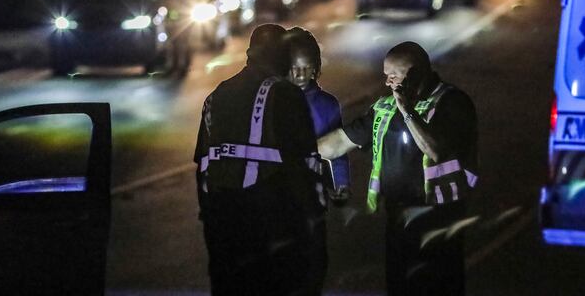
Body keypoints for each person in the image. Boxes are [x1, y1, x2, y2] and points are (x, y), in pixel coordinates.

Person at [318, 41, 478, 296]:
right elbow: (338, 143)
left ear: (415, 73)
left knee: (437, 287)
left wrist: (406, 110)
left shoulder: (452, 103)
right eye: (386, 76)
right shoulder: (384, 107)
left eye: (394, 75)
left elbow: (436, 151)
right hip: (398, 218)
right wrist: (294, 151)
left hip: (438, 220)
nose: (388, 83)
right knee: (400, 286)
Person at [194, 23, 325, 296]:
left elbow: (203, 163)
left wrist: (209, 218)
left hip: (222, 223)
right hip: (273, 225)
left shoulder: (216, 95)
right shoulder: (286, 94)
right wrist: (313, 222)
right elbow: (303, 163)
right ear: (280, 55)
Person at [285, 27, 350, 295]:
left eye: (306, 68)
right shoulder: (274, 101)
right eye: (293, 68)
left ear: (316, 69)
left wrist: (342, 183)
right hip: (280, 198)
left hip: (314, 196)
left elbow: (339, 149)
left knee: (314, 261)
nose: (300, 75)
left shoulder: (328, 104)